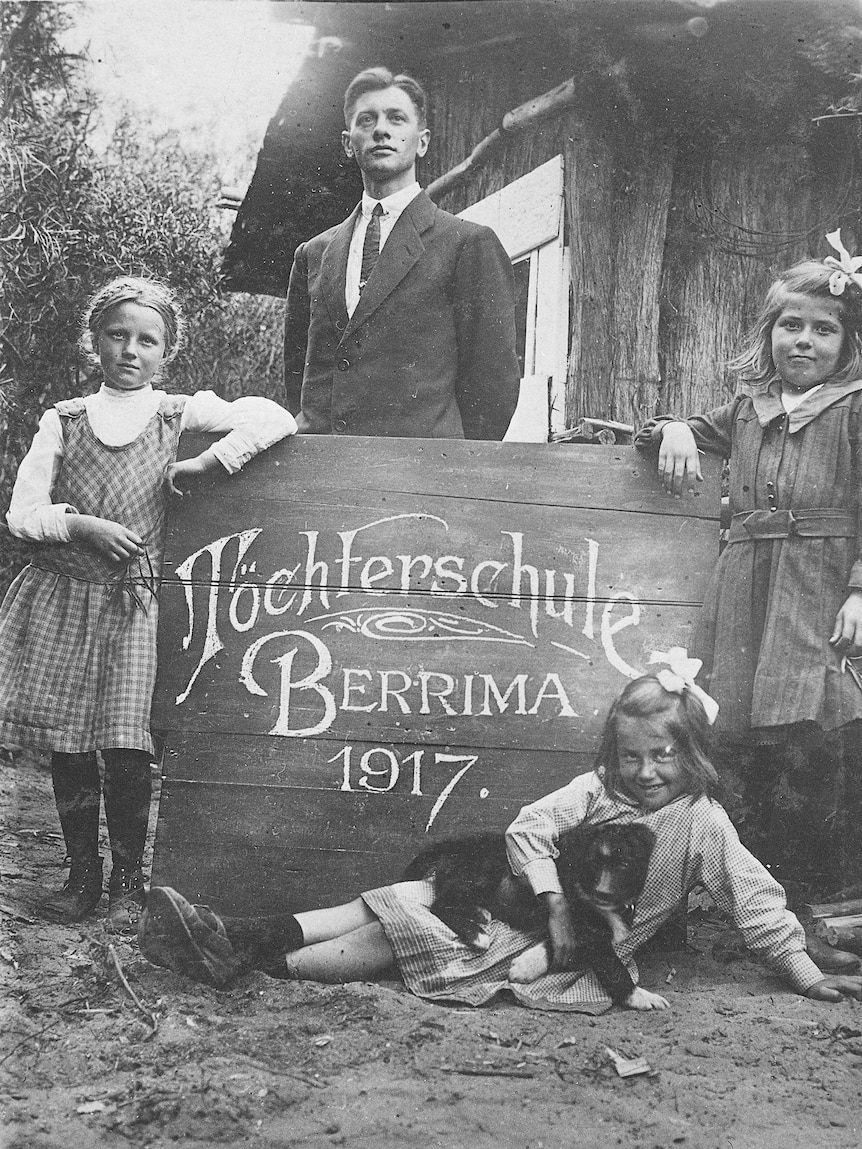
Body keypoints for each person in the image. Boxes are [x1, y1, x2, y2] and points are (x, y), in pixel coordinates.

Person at [137, 663, 862, 1010]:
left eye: (664, 756)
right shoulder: (595, 791)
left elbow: (754, 896)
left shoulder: (701, 820)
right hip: (529, 914)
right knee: (404, 892)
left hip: (554, 952)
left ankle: (250, 962)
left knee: (400, 928)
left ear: (693, 752)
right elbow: (528, 829)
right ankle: (236, 933)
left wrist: (800, 968)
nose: (646, 773)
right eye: (632, 756)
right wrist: (547, 893)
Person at [0, 276, 297, 933]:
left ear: (166, 352)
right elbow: (22, 513)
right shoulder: (66, 419)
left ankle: (128, 883)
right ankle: (82, 876)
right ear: (95, 342)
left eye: (147, 339)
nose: (130, 350)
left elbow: (275, 418)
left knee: (127, 745)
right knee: (68, 744)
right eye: (117, 334)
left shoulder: (175, 412)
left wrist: (208, 463)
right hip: (62, 597)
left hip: (131, 605)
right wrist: (79, 526)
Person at [635, 234, 862, 922]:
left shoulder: (853, 407)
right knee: (742, 740)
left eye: (825, 329)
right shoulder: (746, 408)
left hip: (818, 588)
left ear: (847, 342)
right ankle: (753, 897)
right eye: (790, 325)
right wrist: (672, 428)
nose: (804, 341)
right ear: (770, 335)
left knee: (816, 736)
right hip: (745, 589)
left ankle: (829, 900)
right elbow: (674, 432)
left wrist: (859, 590)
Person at [283, 66, 520, 440]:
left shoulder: (467, 244)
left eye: (396, 118)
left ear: (421, 141)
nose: (381, 129)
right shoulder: (313, 254)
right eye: (367, 120)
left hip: (420, 480)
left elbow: (493, 386)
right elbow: (298, 380)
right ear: (348, 143)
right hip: (324, 476)